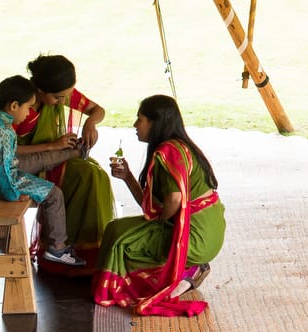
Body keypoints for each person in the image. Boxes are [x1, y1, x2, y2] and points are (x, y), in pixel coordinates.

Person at [94, 95, 225, 316]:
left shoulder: (167, 152)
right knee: (121, 230)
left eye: (140, 119)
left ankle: (185, 271)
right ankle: (186, 271)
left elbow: (173, 200)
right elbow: (152, 206)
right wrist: (127, 177)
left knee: (120, 237)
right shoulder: (180, 147)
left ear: (155, 123)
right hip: (209, 232)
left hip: (195, 238)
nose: (135, 125)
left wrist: (157, 226)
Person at [0, 75, 84, 267]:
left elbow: (0, 161)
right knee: (54, 194)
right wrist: (13, 194)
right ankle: (57, 247)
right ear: (13, 106)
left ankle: (76, 152)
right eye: (28, 107)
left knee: (39, 160)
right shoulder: (3, 132)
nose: (29, 113)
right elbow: (1, 170)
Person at [15, 54, 115, 272]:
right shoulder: (23, 108)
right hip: (29, 166)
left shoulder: (59, 93)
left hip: (52, 159)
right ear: (39, 90)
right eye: (59, 98)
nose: (63, 102)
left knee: (96, 172)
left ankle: (89, 248)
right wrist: (52, 146)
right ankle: (63, 248)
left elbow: (98, 110)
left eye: (66, 97)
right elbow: (6, 150)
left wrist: (90, 123)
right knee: (87, 175)